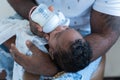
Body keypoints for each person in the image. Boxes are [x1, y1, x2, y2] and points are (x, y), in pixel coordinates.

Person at [1, 0, 120, 80]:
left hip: (87, 37)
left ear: (52, 51)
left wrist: (53, 69)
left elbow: (105, 35)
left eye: (59, 33)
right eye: (64, 28)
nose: (58, 28)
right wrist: (33, 16)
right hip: (38, 16)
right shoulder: (62, 24)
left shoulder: (71, 36)